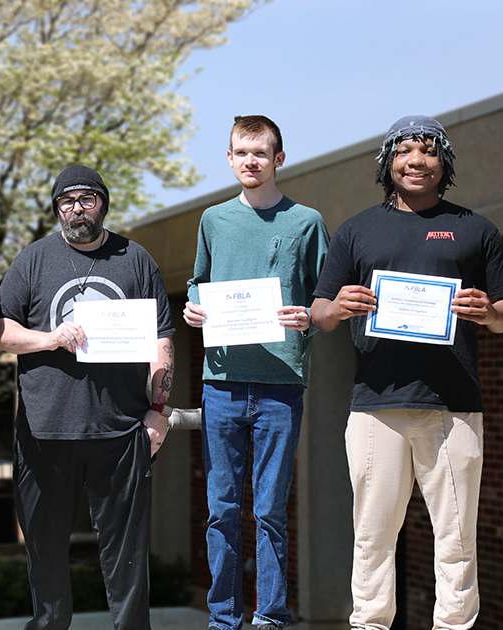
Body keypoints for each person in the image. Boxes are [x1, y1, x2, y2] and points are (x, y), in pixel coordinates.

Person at [311, 115, 503, 629]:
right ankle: (370, 625)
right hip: (375, 406)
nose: (416, 161)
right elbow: (319, 313)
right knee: (373, 536)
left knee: (456, 537)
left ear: (443, 162)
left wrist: (487, 311)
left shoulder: (476, 228)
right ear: (388, 162)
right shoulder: (356, 229)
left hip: (453, 405)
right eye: (405, 152)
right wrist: (340, 306)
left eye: (428, 151)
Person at [0, 164, 175, 630]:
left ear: (102, 203)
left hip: (122, 429)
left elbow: (162, 338)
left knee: (128, 554)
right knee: (45, 548)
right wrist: (50, 338)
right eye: (66, 201)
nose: (76, 208)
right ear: (57, 209)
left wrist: (158, 410)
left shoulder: (135, 259)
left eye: (86, 199)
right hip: (44, 429)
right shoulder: (33, 259)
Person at [182, 116, 329, 630]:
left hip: (281, 385)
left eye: (261, 153)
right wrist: (193, 309)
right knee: (221, 508)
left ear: (278, 160)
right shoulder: (213, 220)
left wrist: (309, 314)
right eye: (241, 152)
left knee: (270, 510)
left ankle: (270, 618)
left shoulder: (306, 222)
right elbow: (198, 283)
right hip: (221, 382)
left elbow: (324, 297)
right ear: (229, 158)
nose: (251, 161)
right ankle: (223, 619)